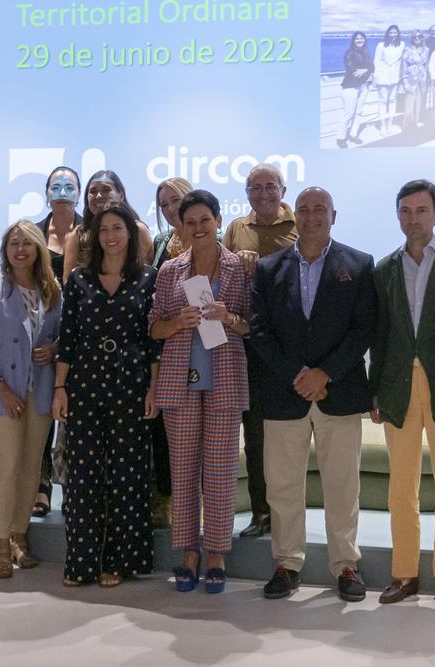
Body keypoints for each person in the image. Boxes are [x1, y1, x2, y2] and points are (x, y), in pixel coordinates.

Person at [250, 186, 377, 603]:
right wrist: (299, 375)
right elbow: (260, 331)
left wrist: (325, 373)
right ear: (294, 216)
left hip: (338, 391)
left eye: (318, 209)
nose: (310, 216)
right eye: (303, 209)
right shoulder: (268, 268)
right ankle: (287, 564)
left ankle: (345, 566)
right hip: (284, 393)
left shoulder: (358, 265)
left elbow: (363, 330)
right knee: (282, 485)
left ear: (333, 215)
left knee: (342, 485)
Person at [370, 180, 435, 607]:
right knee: (401, 486)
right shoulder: (384, 269)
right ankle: (404, 573)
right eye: (406, 211)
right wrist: (374, 389)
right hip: (397, 384)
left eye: (422, 210)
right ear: (398, 215)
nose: (414, 219)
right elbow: (380, 335)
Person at [52, 201, 160, 588]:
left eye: (118, 228)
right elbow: (68, 339)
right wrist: (60, 388)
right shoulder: (79, 279)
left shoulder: (149, 278)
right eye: (103, 229)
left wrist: (153, 388)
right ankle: (80, 562)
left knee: (127, 478)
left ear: (130, 233)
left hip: (132, 387)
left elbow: (153, 343)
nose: (111, 236)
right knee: (83, 478)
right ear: (94, 237)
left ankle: (120, 561)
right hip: (84, 387)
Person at [150, 189, 251, 594]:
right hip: (180, 382)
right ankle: (188, 551)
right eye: (189, 222)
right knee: (184, 471)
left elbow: (250, 327)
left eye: (205, 220)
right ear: (182, 226)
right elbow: (154, 326)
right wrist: (177, 322)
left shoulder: (240, 268)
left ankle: (216, 553)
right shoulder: (169, 271)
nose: (197, 228)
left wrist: (230, 316)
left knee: (221, 471)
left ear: (218, 220)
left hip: (225, 380)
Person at [0, 221, 62, 579]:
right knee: (8, 466)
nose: (20, 249)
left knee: (30, 468)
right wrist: (0, 388)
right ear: (5, 251)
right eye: (13, 244)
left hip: (38, 392)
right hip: (3, 393)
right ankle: (1, 544)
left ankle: (20, 536)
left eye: (27, 243)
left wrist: (53, 349)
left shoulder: (52, 291)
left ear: (39, 248)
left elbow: (63, 335)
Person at [222, 163, 299, 538]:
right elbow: (219, 275)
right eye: (255, 187)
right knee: (255, 437)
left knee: (287, 437)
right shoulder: (236, 229)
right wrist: (238, 262)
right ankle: (261, 513)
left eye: (270, 186)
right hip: (247, 343)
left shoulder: (301, 225)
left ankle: (288, 516)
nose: (263, 193)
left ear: (283, 190)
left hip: (289, 345)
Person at [32, 166, 82, 519]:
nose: (62, 190)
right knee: (41, 417)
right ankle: (40, 486)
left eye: (69, 186)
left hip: (78, 332)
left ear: (78, 193)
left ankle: (73, 487)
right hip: (39, 332)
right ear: (46, 192)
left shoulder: (91, 231)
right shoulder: (32, 233)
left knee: (72, 415)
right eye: (56, 185)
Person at [147, 176, 196, 528]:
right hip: (167, 349)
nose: (169, 209)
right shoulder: (161, 241)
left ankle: (198, 511)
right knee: (165, 437)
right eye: (163, 204)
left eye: (174, 200)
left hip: (206, 350)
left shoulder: (216, 238)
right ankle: (167, 505)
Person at [62, 169, 152, 281]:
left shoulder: (139, 230)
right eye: (93, 191)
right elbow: (68, 282)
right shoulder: (77, 235)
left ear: (121, 195)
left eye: (106, 189)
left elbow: (150, 279)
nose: (99, 196)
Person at [337, 31, 374, 148]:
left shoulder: (366, 53)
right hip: (350, 86)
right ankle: (341, 137)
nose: (359, 41)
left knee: (359, 112)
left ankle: (353, 134)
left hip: (364, 86)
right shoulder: (349, 54)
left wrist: (365, 70)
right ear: (353, 40)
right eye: (357, 39)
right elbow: (352, 71)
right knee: (348, 113)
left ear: (364, 40)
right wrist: (366, 71)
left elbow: (372, 66)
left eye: (362, 38)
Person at [373, 25, 405, 137]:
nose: (393, 35)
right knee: (382, 101)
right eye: (391, 33)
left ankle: (390, 124)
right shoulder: (381, 45)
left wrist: (403, 76)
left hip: (396, 77)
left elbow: (403, 61)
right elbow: (376, 62)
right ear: (387, 33)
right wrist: (375, 78)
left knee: (393, 100)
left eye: (395, 32)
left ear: (397, 33)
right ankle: (382, 126)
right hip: (383, 76)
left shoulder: (402, 44)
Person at [400, 30, 430, 130]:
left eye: (419, 36)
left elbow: (427, 65)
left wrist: (426, 79)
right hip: (410, 77)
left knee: (418, 102)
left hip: (422, 77)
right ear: (412, 38)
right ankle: (407, 126)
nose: (417, 38)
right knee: (409, 102)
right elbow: (403, 65)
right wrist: (404, 80)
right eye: (415, 37)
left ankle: (415, 123)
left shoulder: (426, 50)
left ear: (422, 38)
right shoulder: (407, 49)